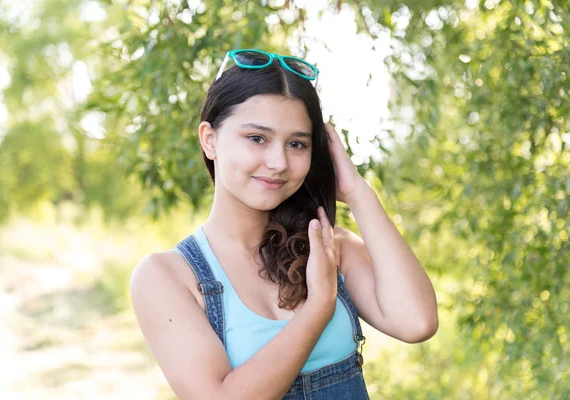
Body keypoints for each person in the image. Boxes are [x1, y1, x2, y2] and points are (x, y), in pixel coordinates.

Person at [130, 49, 438, 399]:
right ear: (210, 140)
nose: (278, 162)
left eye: (296, 144)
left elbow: (417, 322)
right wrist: (319, 306)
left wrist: (357, 192)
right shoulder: (166, 276)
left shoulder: (330, 248)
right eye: (257, 138)